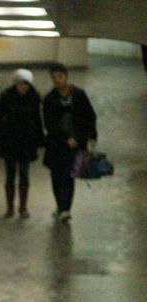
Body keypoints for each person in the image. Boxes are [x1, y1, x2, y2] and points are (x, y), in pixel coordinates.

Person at [43, 63, 97, 222]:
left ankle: (66, 208)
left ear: (66, 76)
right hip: (56, 144)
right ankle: (60, 205)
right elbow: (49, 124)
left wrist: (90, 135)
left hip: (76, 144)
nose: (57, 80)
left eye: (60, 76)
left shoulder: (79, 95)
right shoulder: (49, 99)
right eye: (54, 78)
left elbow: (89, 115)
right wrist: (66, 138)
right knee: (56, 176)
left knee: (69, 176)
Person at [0, 69, 43, 218]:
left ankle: (23, 207)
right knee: (10, 175)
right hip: (10, 140)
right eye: (21, 83)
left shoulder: (33, 98)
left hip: (27, 141)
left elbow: (37, 121)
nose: (23, 87)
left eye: (26, 84)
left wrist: (40, 143)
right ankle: (9, 207)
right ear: (16, 83)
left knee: (24, 174)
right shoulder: (7, 96)